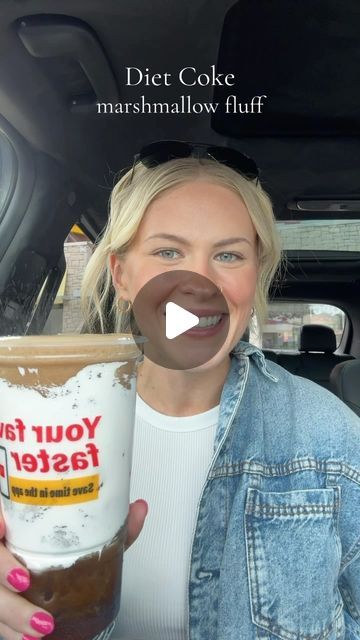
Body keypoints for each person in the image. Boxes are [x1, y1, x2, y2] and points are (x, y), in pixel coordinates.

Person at [0, 141, 360, 640]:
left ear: (256, 273)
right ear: (122, 275)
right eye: (169, 252)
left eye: (229, 255)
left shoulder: (332, 434)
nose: (199, 283)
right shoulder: (31, 428)